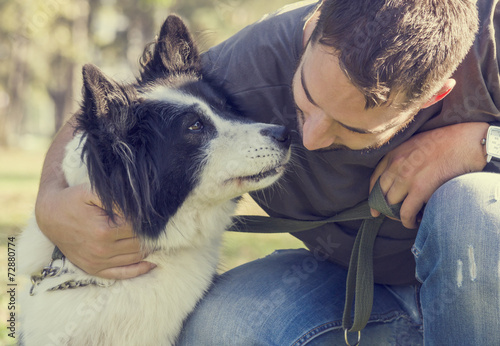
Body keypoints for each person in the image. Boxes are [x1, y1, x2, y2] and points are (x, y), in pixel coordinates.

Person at [35, 0, 500, 344]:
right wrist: (49, 202)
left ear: (433, 96)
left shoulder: (491, 41)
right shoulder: (250, 61)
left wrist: (478, 143)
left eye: (349, 128)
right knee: (218, 330)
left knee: (472, 208)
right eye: (306, 100)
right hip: (354, 289)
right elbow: (120, 109)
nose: (311, 138)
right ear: (313, 27)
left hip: (485, 286)